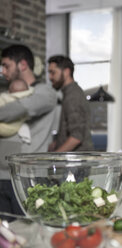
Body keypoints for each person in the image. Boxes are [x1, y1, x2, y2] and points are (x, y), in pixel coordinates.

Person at [0, 44, 58, 215]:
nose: (3, 71)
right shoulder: (6, 94)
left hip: (27, 178)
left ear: (22, 65)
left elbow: (18, 110)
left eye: (6, 65)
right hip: (2, 177)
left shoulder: (45, 93)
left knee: (29, 232)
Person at [47, 55, 93, 152]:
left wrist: (53, 158)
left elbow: (76, 137)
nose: (50, 77)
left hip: (77, 164)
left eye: (53, 72)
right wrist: (57, 143)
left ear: (66, 72)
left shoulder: (73, 96)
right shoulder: (70, 93)